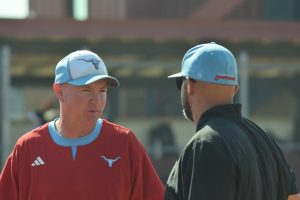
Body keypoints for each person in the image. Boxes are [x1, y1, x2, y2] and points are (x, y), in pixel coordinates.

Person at [0, 50, 164, 200]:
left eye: (102, 91)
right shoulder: (28, 147)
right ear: (59, 91)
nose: (96, 100)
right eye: (86, 90)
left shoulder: (125, 142)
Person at [165, 42, 300, 200]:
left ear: (190, 86)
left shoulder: (207, 143)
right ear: (235, 89)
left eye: (180, 82)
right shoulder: (268, 143)